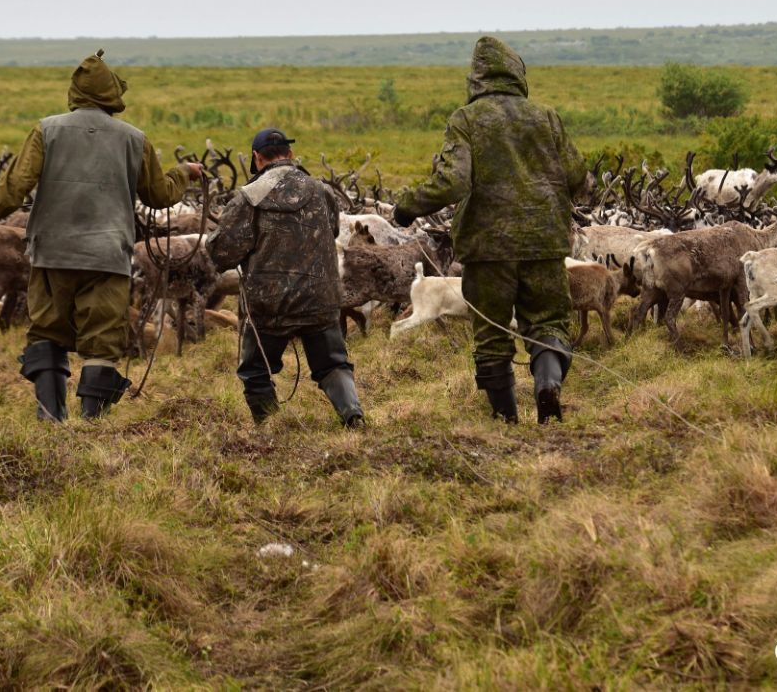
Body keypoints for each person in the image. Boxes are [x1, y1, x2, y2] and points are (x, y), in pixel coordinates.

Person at [0, 50, 202, 422]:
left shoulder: (47, 130)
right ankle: (92, 422)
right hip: (108, 256)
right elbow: (159, 196)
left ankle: (50, 419)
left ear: (75, 91)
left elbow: (12, 189)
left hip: (51, 253)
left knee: (47, 331)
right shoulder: (135, 139)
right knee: (103, 337)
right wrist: (184, 173)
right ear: (113, 94)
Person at [392, 36, 586, 424]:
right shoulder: (546, 117)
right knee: (548, 321)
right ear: (517, 73)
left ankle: (506, 420)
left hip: (487, 247)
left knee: (492, 332)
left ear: (476, 79)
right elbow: (578, 177)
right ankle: (547, 385)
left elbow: (453, 182)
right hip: (545, 243)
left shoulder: (466, 119)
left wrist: (407, 207)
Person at [206, 128, 364, 429]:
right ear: (289, 154)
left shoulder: (248, 197)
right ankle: (352, 414)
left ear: (257, 158)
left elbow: (220, 254)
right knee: (333, 364)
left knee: (255, 371)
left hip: (270, 306)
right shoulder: (322, 191)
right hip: (321, 299)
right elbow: (332, 230)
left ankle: (271, 428)